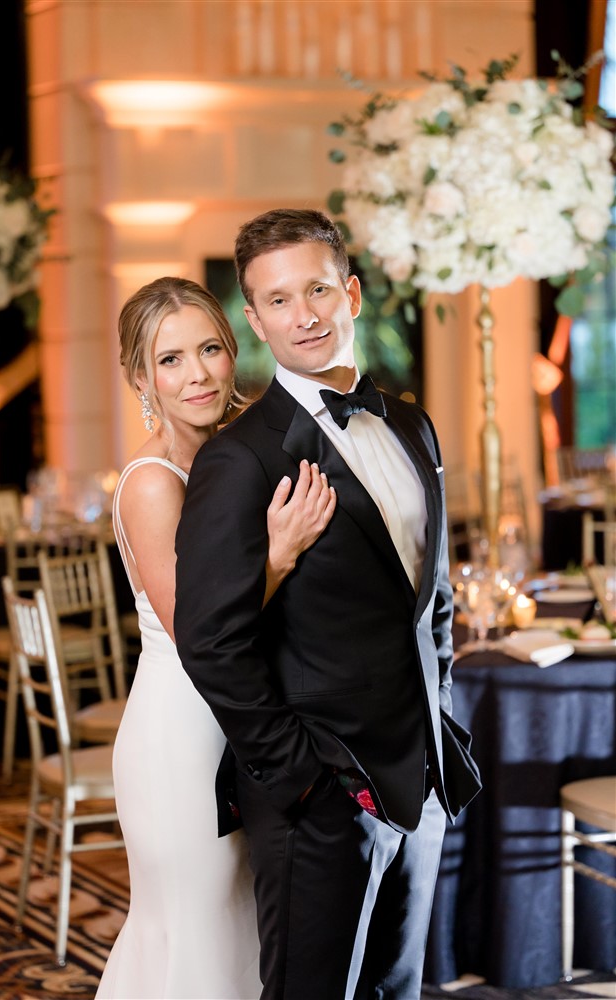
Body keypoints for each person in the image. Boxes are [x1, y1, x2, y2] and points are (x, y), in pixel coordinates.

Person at [174, 210, 482, 1000]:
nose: (302, 314)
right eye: (277, 300)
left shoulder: (411, 424)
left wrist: (436, 716)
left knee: (396, 990)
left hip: (418, 772)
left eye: (316, 289)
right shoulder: (239, 459)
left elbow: (431, 596)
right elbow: (209, 640)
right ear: (254, 320)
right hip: (319, 792)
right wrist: (301, 777)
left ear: (349, 292)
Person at [95, 276, 336, 1000]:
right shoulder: (150, 482)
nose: (196, 373)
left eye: (209, 349)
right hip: (180, 735)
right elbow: (196, 623)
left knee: (243, 934)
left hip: (251, 719)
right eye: (170, 360)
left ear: (234, 351)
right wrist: (279, 553)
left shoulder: (243, 451)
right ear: (140, 377)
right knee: (190, 934)